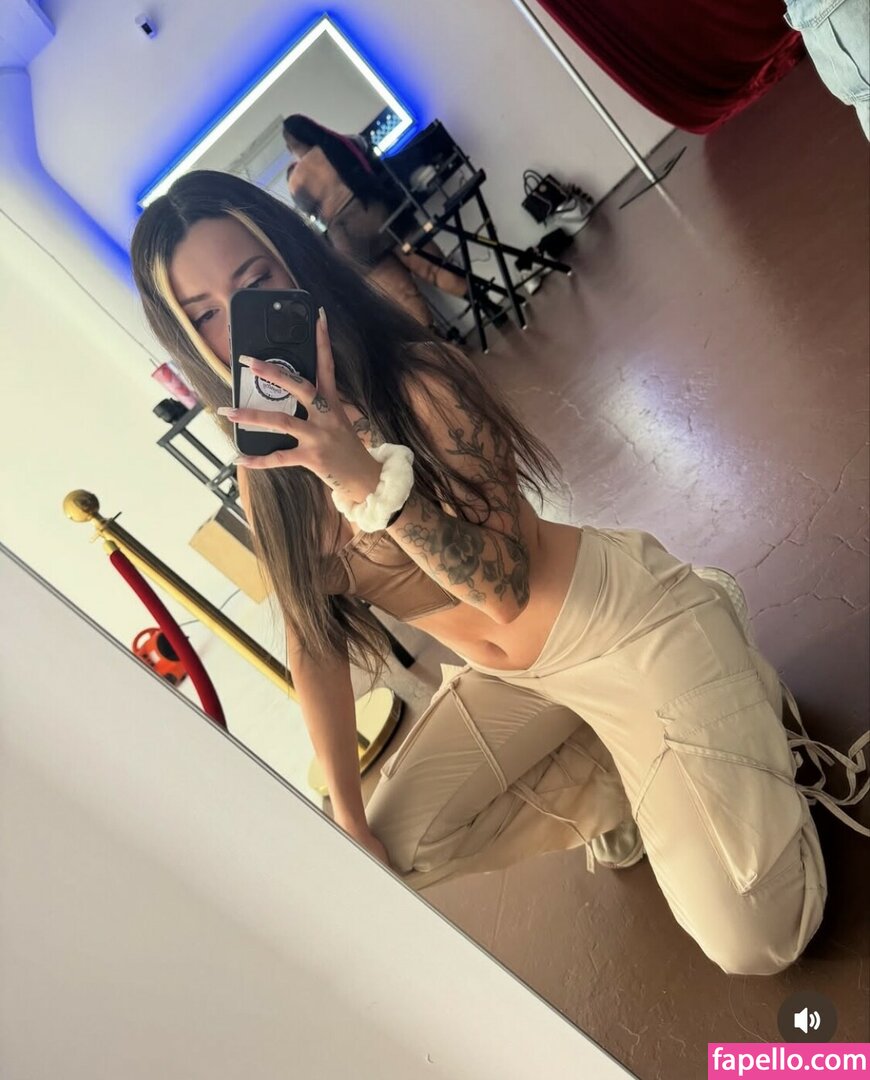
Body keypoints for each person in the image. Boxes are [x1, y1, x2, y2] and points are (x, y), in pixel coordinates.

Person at [131, 170, 868, 976]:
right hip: (516, 685)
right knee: (394, 850)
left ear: (296, 263)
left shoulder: (420, 381)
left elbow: (506, 591)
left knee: (759, 941)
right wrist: (347, 817)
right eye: (204, 314)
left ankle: (719, 652)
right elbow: (313, 640)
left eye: (255, 281)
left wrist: (366, 480)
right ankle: (624, 770)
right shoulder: (265, 475)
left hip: (617, 623)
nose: (237, 325)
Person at [282, 114, 484, 326]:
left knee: (405, 297)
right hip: (380, 212)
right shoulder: (341, 143)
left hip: (349, 239)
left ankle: (435, 344)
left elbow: (311, 212)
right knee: (435, 270)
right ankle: (490, 307)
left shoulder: (295, 180)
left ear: (291, 146)